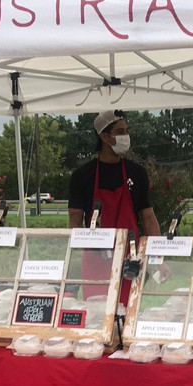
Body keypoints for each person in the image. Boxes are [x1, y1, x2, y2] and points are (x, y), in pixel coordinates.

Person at [68, 110, 162, 306]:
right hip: (95, 259)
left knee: (127, 312)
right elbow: (75, 223)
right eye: (120, 131)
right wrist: (83, 250)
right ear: (104, 136)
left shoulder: (137, 173)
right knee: (97, 312)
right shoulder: (82, 176)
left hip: (130, 257)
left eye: (127, 131)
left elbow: (149, 218)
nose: (126, 136)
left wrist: (157, 258)